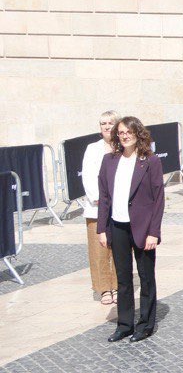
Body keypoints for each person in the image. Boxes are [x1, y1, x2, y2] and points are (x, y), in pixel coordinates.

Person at [96, 116, 164, 343]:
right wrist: (102, 228)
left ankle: (145, 325)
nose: (124, 136)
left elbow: (158, 199)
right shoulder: (109, 160)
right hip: (117, 226)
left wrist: (154, 232)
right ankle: (124, 324)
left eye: (129, 132)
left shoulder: (150, 161)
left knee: (146, 277)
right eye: (121, 132)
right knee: (123, 279)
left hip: (143, 228)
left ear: (138, 134)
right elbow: (104, 197)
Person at [81, 110, 119, 306]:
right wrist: (100, 200)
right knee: (99, 249)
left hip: (120, 207)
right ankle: (104, 288)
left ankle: (118, 285)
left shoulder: (124, 147)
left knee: (119, 248)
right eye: (103, 123)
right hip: (97, 207)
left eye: (110, 123)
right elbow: (87, 176)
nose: (106, 126)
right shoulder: (92, 148)